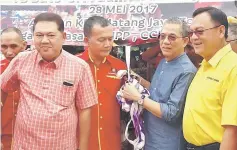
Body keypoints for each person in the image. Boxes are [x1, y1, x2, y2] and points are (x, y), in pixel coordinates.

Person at [0, 12, 98, 150]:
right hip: (25, 145)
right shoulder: (21, 60)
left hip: (62, 146)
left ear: (63, 37)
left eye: (51, 35)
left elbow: (85, 111)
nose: (44, 40)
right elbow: (2, 87)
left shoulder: (79, 67)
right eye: (39, 35)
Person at [121, 17, 197, 150]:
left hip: (167, 143)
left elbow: (171, 113)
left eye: (172, 37)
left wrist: (138, 98)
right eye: (162, 36)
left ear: (185, 41)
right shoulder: (164, 62)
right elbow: (157, 93)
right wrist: (140, 81)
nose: (165, 41)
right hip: (150, 137)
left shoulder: (187, 71)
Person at [183, 7, 237, 150]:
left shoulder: (233, 67)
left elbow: (233, 130)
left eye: (200, 32)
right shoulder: (206, 64)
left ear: (221, 31)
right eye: (191, 32)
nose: (193, 37)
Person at [77, 16, 126, 150]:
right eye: (101, 40)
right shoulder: (74, 66)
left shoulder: (120, 67)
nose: (108, 44)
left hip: (111, 141)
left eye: (110, 39)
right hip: (81, 142)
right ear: (87, 40)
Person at [1, 27, 27, 150]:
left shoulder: (38, 70)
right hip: (4, 139)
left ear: (24, 45)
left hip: (31, 138)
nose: (9, 52)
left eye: (13, 46)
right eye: (4, 47)